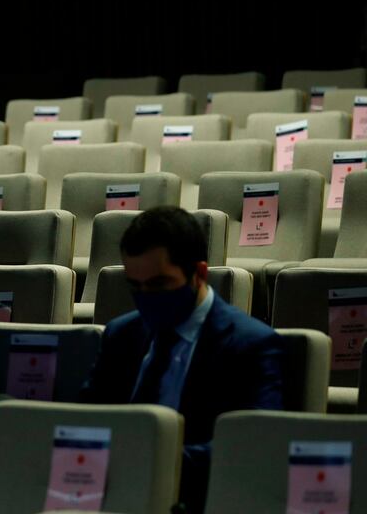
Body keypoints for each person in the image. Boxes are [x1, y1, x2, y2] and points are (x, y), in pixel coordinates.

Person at [80, 206, 284, 513]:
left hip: (199, 498)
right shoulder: (121, 334)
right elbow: (86, 416)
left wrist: (150, 461)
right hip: (110, 494)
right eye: (135, 286)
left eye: (160, 284)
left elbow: (253, 445)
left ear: (199, 274)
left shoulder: (251, 344)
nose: (146, 297)